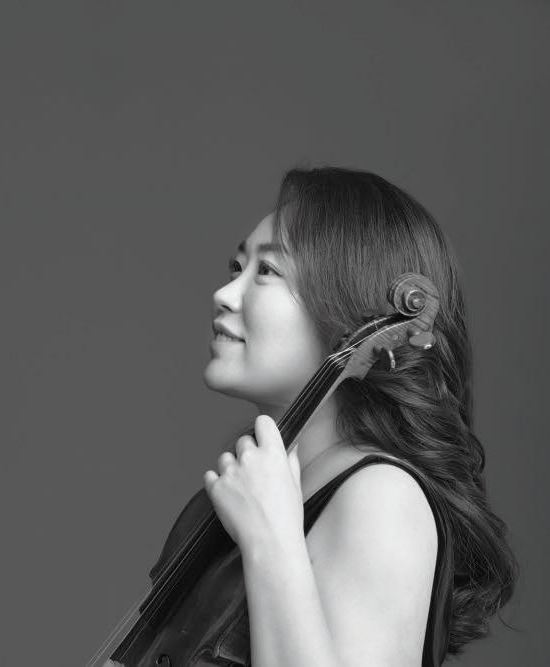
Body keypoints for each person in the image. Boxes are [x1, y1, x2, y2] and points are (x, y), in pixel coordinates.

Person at [199, 166, 518, 667]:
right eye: (236, 267)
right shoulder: (270, 482)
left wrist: (268, 542)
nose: (225, 294)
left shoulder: (384, 496)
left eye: (267, 271)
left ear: (349, 313)